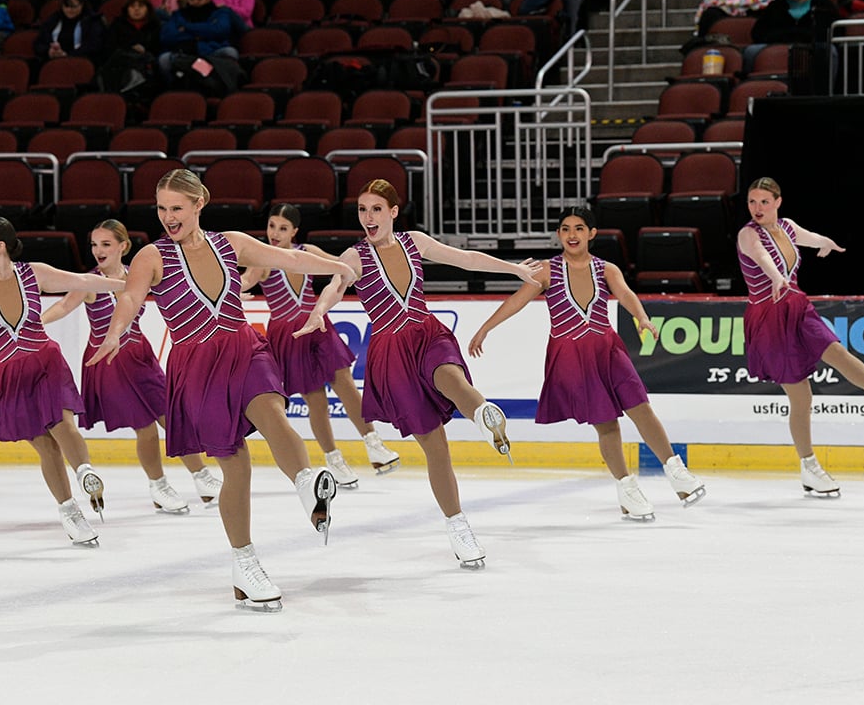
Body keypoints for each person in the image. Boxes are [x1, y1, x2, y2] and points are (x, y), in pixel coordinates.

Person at [85, 169, 356, 612]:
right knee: (237, 466)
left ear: (198, 204)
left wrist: (336, 266)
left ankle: (308, 483)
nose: (168, 217)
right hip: (197, 365)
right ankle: (244, 563)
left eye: (177, 208)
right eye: (161, 208)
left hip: (243, 345)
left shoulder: (230, 243)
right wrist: (115, 331)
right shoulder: (151, 256)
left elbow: (288, 260)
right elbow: (131, 298)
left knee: (272, 411)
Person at [292, 179, 541, 569]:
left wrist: (512, 268)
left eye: (376, 209)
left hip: (426, 331)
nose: (368, 217)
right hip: (392, 352)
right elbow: (336, 286)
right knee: (436, 448)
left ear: (393, 212)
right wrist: (319, 310)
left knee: (452, 377)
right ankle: (458, 524)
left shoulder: (415, 242)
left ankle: (482, 414)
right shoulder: (355, 256)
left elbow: (466, 258)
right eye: (362, 209)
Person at [467, 207, 707, 522]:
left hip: (608, 351)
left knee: (641, 407)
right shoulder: (547, 270)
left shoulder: (606, 269)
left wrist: (642, 318)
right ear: (559, 234)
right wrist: (486, 327)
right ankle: (626, 488)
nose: (572, 234)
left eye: (579, 228)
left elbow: (625, 293)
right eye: (565, 229)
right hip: (572, 356)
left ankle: (676, 472)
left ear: (591, 234)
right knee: (606, 423)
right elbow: (516, 300)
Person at [0, 217, 125, 546]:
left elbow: (82, 280)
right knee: (46, 445)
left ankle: (84, 471)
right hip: (6, 375)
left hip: (45, 362)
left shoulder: (34, 273)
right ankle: (70, 506)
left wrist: (130, 285)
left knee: (61, 425)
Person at [738, 177, 864, 497]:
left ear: (778, 202)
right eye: (752, 202)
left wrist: (826, 243)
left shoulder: (787, 227)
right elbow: (762, 257)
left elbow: (810, 236)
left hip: (797, 305)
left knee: (836, 350)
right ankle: (809, 467)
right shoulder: (748, 233)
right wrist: (776, 277)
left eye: (763, 201)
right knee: (801, 397)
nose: (757, 208)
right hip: (768, 317)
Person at [41, 219, 224, 514]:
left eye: (106, 244)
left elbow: (182, 289)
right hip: (110, 362)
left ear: (123, 247)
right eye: (94, 244)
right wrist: (34, 324)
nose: (98, 251)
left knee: (174, 418)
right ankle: (159, 486)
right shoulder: (90, 282)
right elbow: (63, 306)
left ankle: (201, 477)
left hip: (141, 357)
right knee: (146, 428)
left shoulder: (137, 275)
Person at [238, 204, 402, 490]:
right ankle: (334, 460)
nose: (275, 233)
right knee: (317, 401)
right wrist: (228, 288)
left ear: (295, 232)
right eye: (272, 226)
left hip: (319, 326)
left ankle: (373, 443)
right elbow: (246, 280)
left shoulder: (308, 252)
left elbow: (341, 265)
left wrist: (366, 266)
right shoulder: (263, 259)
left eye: (283, 228)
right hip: (291, 336)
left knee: (347, 385)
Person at [157, 0, 247, 90]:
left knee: (230, 52)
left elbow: (219, 30)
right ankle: (173, 91)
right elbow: (167, 36)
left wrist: (186, 27)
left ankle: (225, 87)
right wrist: (202, 33)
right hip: (185, 53)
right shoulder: (178, 15)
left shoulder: (221, 12)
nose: (195, 2)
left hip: (213, 52)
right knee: (164, 59)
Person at [32, 0, 105, 62]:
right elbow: (39, 43)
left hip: (80, 61)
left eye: (73, 6)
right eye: (66, 6)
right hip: (53, 61)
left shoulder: (93, 21)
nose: (69, 10)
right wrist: (49, 51)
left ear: (82, 5)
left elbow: (94, 46)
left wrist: (68, 55)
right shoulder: (55, 19)